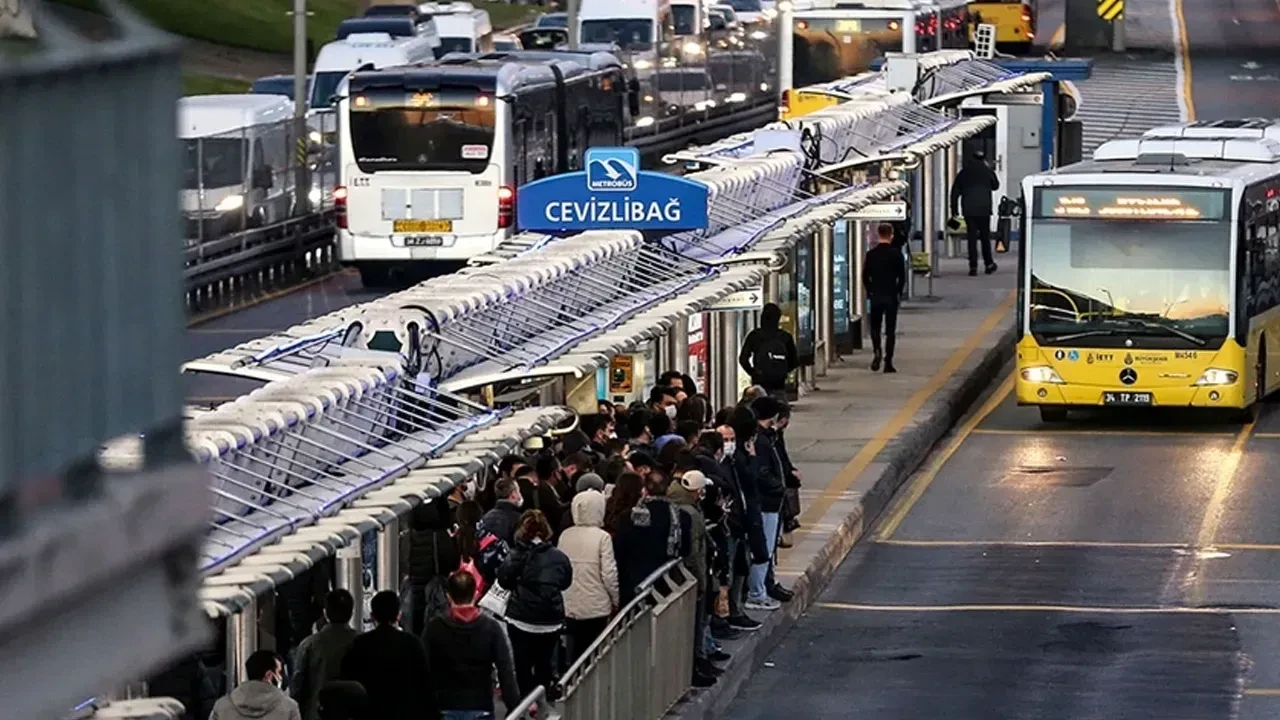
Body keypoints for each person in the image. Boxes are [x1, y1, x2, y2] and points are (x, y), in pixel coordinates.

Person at [423, 570, 522, 720]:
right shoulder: (491, 628)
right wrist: (515, 707)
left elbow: (422, 669)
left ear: (449, 597)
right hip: (481, 707)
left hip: (444, 706)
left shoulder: (434, 628)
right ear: (475, 595)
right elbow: (506, 672)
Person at [498, 509, 574, 701]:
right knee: (544, 663)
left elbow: (503, 581)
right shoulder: (559, 557)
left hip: (520, 617)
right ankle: (542, 699)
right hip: (550, 620)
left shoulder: (515, 555)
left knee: (522, 664)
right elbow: (566, 582)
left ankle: (525, 703)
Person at [340, 591, 430, 720]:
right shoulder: (412, 643)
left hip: (369, 713)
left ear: (372, 616)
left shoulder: (359, 644)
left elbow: (348, 680)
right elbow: (424, 684)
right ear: (398, 615)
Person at [668, 469, 720, 686]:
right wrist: (701, 581)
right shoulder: (691, 513)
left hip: (684, 576)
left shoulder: (677, 506)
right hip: (693, 576)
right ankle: (696, 666)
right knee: (695, 625)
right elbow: (695, 551)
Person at [557, 487, 620, 662]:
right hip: (596, 606)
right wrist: (615, 599)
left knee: (572, 651)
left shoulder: (565, 535)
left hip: (569, 604)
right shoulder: (603, 538)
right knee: (593, 653)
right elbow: (609, 573)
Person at [612, 472, 692, 606]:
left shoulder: (628, 516)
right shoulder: (681, 516)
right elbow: (685, 549)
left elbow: (619, 550)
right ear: (668, 489)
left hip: (632, 582)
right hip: (666, 583)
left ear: (644, 489)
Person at [291, 590, 359, 720]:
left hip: (316, 714)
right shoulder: (363, 642)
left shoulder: (309, 644)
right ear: (351, 613)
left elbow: (297, 687)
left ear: (325, 613)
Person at [862, 222, 907, 374]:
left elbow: (865, 276)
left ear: (878, 234)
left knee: (875, 327)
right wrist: (898, 292)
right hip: (891, 295)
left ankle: (877, 351)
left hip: (876, 295)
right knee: (890, 330)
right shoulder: (896, 254)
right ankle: (888, 361)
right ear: (891, 235)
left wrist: (870, 291)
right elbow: (902, 277)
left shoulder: (871, 254)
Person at [950, 149, 1001, 276]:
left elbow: (955, 192)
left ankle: (973, 266)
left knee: (971, 238)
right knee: (985, 238)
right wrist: (989, 170)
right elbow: (995, 186)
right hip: (984, 209)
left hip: (969, 210)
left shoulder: (964, 172)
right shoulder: (987, 171)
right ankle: (988, 264)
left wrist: (954, 210)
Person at [211, 650, 301, 720]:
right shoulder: (289, 707)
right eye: (279, 672)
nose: (281, 677)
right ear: (269, 675)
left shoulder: (222, 706)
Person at [738, 303, 798, 397]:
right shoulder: (785, 337)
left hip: (759, 384)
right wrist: (782, 372)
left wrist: (753, 373)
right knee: (780, 404)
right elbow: (794, 361)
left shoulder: (755, 335)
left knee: (758, 404)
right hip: (779, 385)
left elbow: (743, 359)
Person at [480, 477, 523, 545]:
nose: (520, 494)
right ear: (513, 494)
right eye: (518, 491)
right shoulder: (518, 519)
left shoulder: (486, 517)